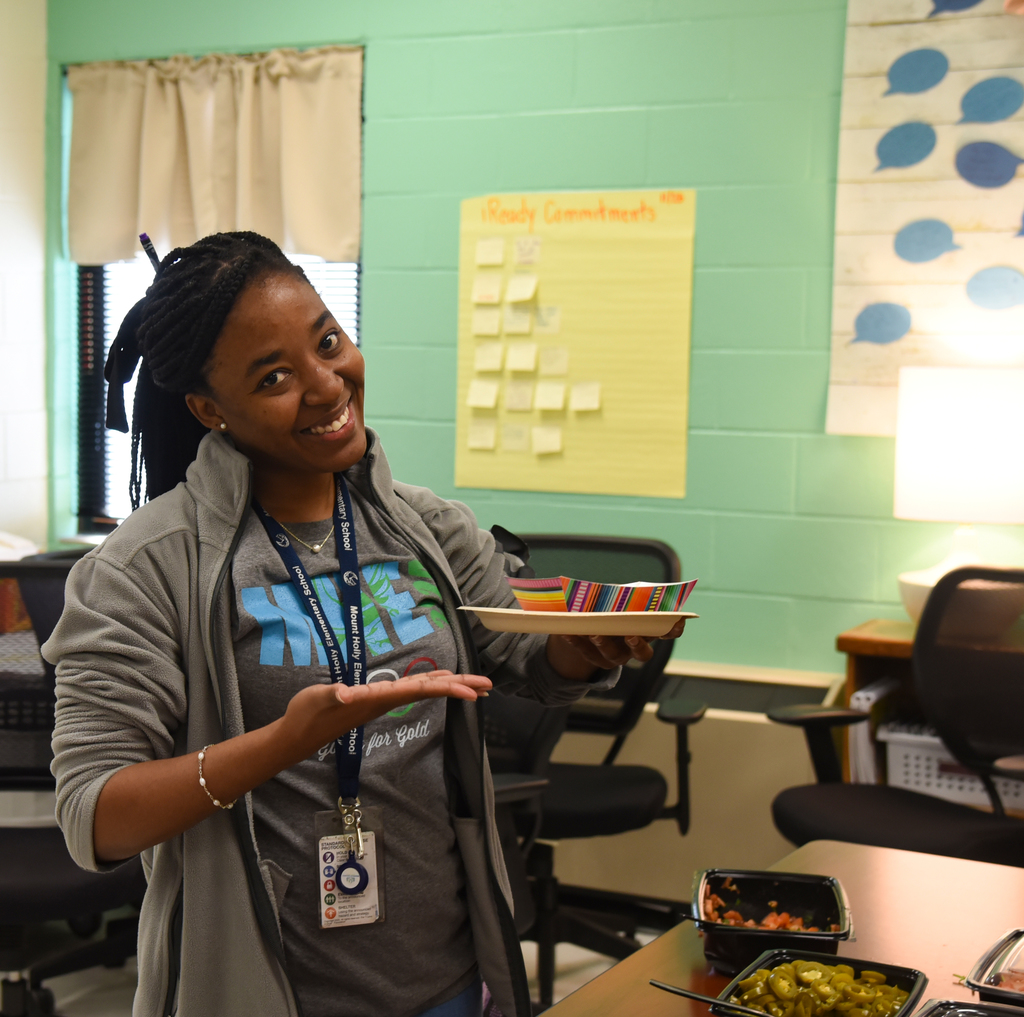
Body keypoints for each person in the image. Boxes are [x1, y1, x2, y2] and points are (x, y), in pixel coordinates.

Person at [44, 232, 684, 1017]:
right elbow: (94, 813)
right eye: (274, 375)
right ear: (211, 409)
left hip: (449, 975)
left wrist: (582, 648)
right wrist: (284, 741)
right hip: (267, 993)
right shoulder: (146, 566)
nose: (325, 384)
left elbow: (519, 650)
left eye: (328, 341)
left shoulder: (426, 525)